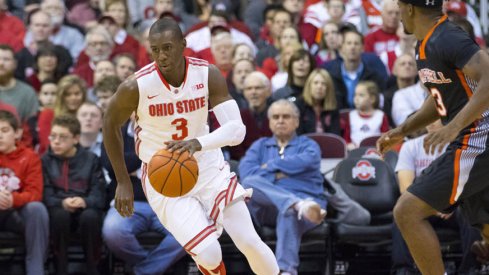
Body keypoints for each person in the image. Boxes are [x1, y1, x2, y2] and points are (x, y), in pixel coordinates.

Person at [102, 18, 279, 274]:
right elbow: (109, 124)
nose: (161, 56)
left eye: (167, 47)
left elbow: (237, 131)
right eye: (155, 49)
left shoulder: (207, 74)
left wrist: (197, 143)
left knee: (249, 240)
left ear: (183, 44)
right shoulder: (136, 86)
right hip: (163, 176)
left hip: (208, 167)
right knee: (209, 253)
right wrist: (122, 180)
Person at [376, 0, 489, 273]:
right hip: (470, 136)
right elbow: (438, 98)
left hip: (478, 137)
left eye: (400, 7)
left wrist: (453, 126)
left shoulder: (448, 37)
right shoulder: (424, 43)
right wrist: (402, 129)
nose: (399, 14)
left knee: (407, 211)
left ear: (410, 9)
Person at [239, 99, 327, 275]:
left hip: (310, 206)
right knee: (249, 183)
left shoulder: (308, 145)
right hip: (268, 209)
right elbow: (246, 173)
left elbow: (308, 160)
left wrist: (270, 167)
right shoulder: (259, 146)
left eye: (286, 116)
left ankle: (286, 271)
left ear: (296, 121)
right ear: (270, 122)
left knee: (288, 212)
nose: (280, 120)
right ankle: (296, 203)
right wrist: (287, 172)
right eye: (276, 117)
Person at [101, 114, 187, 275]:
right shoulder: (113, 131)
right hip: (128, 202)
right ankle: (157, 267)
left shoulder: (169, 131)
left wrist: (127, 165)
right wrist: (153, 158)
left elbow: (178, 166)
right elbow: (111, 166)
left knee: (190, 232)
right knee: (112, 232)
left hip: (166, 202)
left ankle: (143, 271)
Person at [391, 120, 481, 274]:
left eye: (436, 119)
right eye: (428, 119)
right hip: (423, 206)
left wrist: (451, 205)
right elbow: (405, 188)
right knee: (402, 212)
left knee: (469, 211)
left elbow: (467, 185)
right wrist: (431, 205)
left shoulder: (460, 145)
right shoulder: (411, 146)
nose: (431, 123)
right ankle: (403, 270)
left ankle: (470, 269)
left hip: (452, 207)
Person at [43, 115, 106, 275]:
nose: (56, 141)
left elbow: (99, 195)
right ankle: (60, 269)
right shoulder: (45, 161)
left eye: (62, 137)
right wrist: (62, 202)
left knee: (90, 217)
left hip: (85, 207)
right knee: (60, 216)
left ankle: (93, 269)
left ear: (76, 138)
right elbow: (45, 193)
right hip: (59, 208)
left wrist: (84, 201)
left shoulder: (91, 159)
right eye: (53, 136)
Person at [0, 110, 49, 275]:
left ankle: (35, 270)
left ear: (17, 133)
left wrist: (12, 199)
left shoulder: (30, 157)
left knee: (37, 208)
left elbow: (35, 193)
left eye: (4, 131)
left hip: (17, 214)